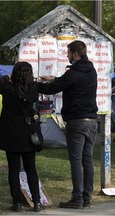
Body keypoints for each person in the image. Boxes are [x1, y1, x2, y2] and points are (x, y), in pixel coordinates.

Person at [36, 40, 98, 209]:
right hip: (92, 120)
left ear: (75, 54)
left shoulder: (73, 73)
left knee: (76, 160)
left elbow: (51, 89)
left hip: (76, 121)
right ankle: (87, 197)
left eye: (68, 53)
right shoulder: (91, 70)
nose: (67, 56)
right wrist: (54, 79)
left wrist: (33, 84)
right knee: (88, 160)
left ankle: (76, 198)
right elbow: (69, 81)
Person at [0, 61, 42, 212]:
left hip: (11, 133)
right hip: (27, 132)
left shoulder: (8, 88)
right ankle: (37, 201)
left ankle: (17, 202)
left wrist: (8, 77)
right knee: (30, 168)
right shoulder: (33, 90)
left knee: (13, 169)